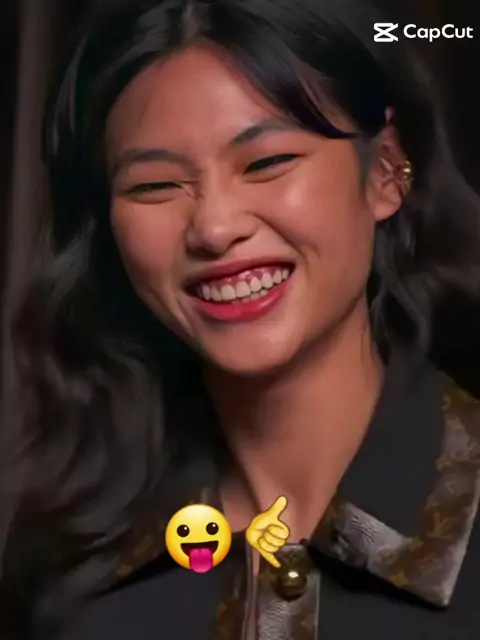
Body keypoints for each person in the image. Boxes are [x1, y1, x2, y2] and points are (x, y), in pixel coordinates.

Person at [2, 0, 480, 638]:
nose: (214, 227)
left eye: (266, 163)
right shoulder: (72, 571)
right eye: (154, 185)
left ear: (386, 171)